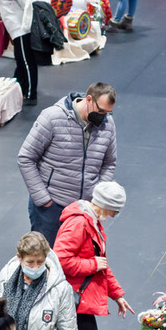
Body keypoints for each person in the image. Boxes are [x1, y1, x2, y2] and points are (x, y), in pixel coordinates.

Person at [54, 181, 133, 330]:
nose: (114, 216)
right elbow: (59, 258)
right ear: (105, 206)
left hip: (80, 298)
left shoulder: (92, 222)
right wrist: (91, 264)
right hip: (74, 301)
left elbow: (102, 265)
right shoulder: (80, 223)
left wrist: (117, 293)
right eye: (114, 211)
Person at [18, 83, 117, 247]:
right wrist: (43, 200)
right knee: (46, 259)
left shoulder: (108, 124)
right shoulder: (52, 117)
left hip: (84, 210)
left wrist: (96, 196)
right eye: (101, 111)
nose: (104, 116)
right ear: (89, 99)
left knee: (77, 264)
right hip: (51, 208)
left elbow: (109, 163)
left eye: (108, 112)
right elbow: (26, 157)